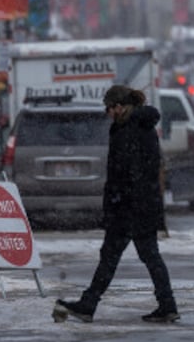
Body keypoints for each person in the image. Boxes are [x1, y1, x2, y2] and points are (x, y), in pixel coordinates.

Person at [54, 86, 179, 324]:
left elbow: (130, 173)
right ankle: (166, 305)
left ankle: (89, 304)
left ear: (120, 107)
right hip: (139, 205)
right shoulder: (136, 127)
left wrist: (118, 202)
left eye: (109, 108)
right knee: (144, 256)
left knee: (115, 257)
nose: (108, 113)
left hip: (130, 207)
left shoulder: (132, 130)